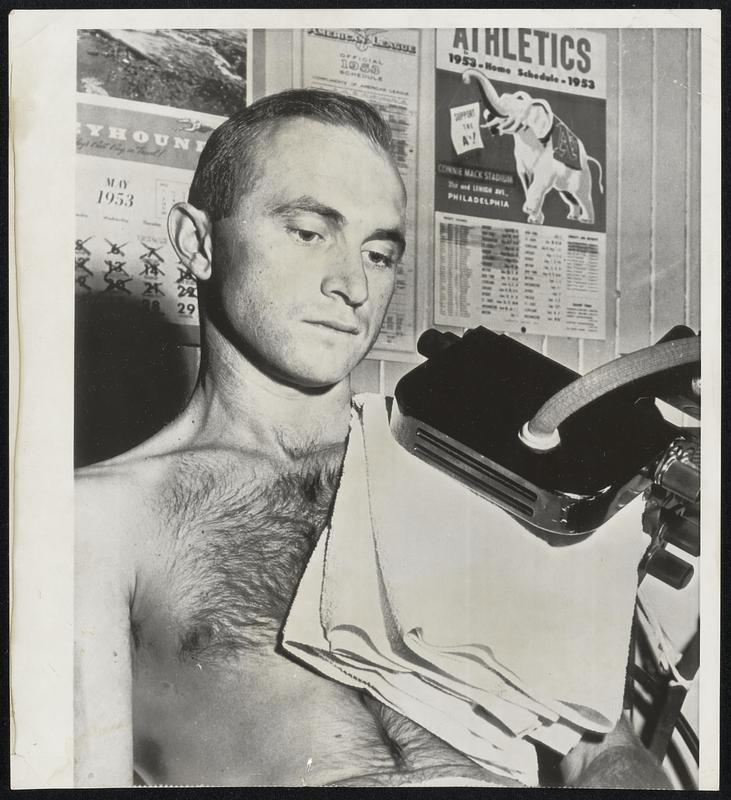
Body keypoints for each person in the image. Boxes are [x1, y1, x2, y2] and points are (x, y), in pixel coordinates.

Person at [74, 89, 670, 788]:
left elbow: (600, 750)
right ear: (198, 242)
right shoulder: (98, 519)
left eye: (379, 252)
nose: (352, 283)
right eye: (308, 231)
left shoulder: (464, 473)